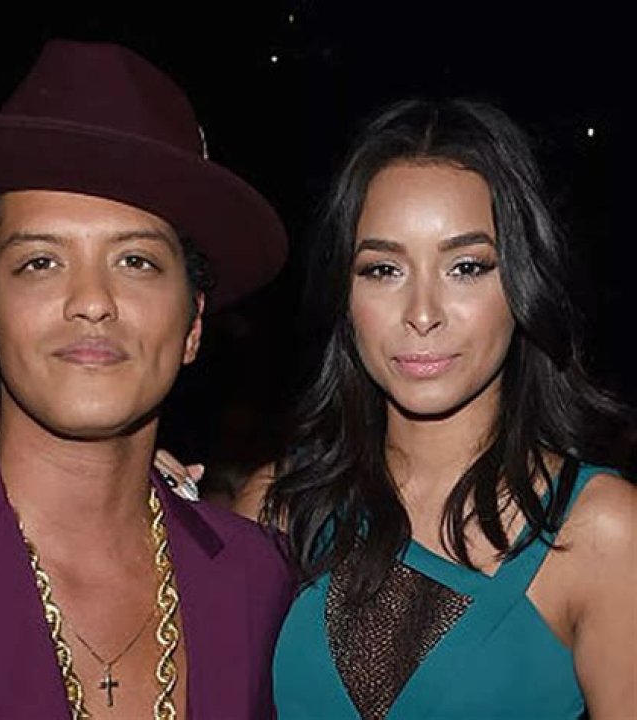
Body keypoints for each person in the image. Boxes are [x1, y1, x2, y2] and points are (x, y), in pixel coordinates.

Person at [157, 98, 635, 719]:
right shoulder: (281, 507)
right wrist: (149, 525)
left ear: (523, 283)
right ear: (345, 295)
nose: (423, 312)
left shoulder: (602, 533)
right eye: (383, 269)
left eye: (466, 267)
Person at [0, 39, 294, 719]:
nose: (91, 301)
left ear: (193, 323)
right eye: (40, 262)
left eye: (136, 261)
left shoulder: (259, 579)